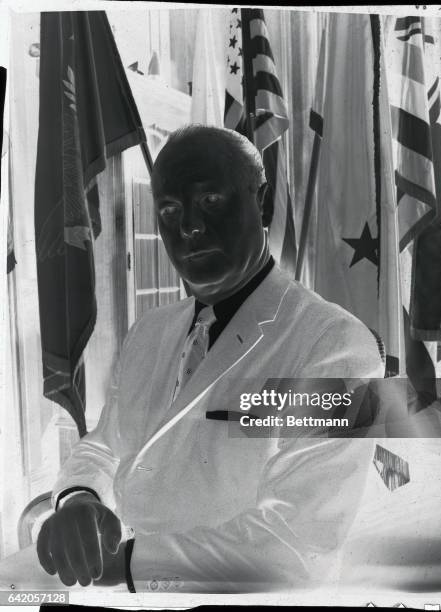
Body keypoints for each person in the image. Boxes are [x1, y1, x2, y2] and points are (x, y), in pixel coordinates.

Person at [36, 125, 385, 593]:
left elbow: (298, 549)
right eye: (170, 208)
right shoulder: (149, 332)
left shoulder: (334, 345)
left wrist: (126, 565)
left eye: (211, 201)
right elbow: (104, 445)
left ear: (261, 203)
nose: (188, 227)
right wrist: (79, 497)